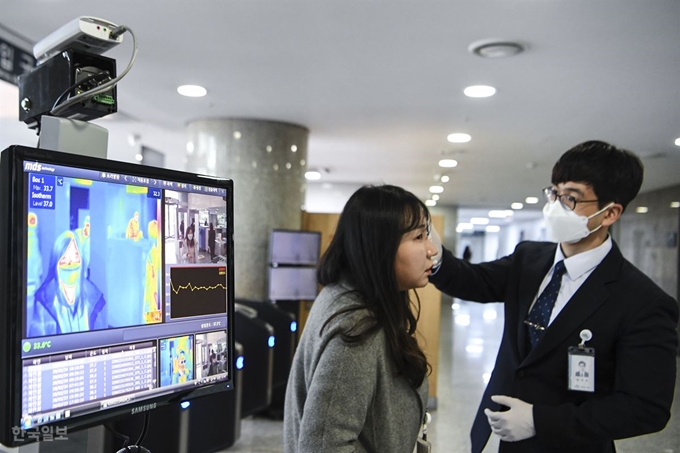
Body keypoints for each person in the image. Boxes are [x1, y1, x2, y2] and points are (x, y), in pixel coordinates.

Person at [428, 140, 678, 453]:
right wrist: (436, 256)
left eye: (571, 198)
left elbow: (645, 408)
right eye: (555, 193)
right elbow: (475, 282)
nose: (556, 206)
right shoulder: (529, 258)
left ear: (610, 213)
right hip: (508, 440)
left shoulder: (642, 302)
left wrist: (538, 420)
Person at [284, 184, 437, 453]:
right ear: (381, 247)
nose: (431, 249)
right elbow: (323, 447)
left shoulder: (345, 295)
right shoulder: (357, 330)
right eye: (418, 237)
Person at [30, 230, 107, 336]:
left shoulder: (95, 297)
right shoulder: (43, 302)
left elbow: (102, 339)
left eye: (75, 257)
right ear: (56, 263)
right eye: (65, 259)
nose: (71, 264)